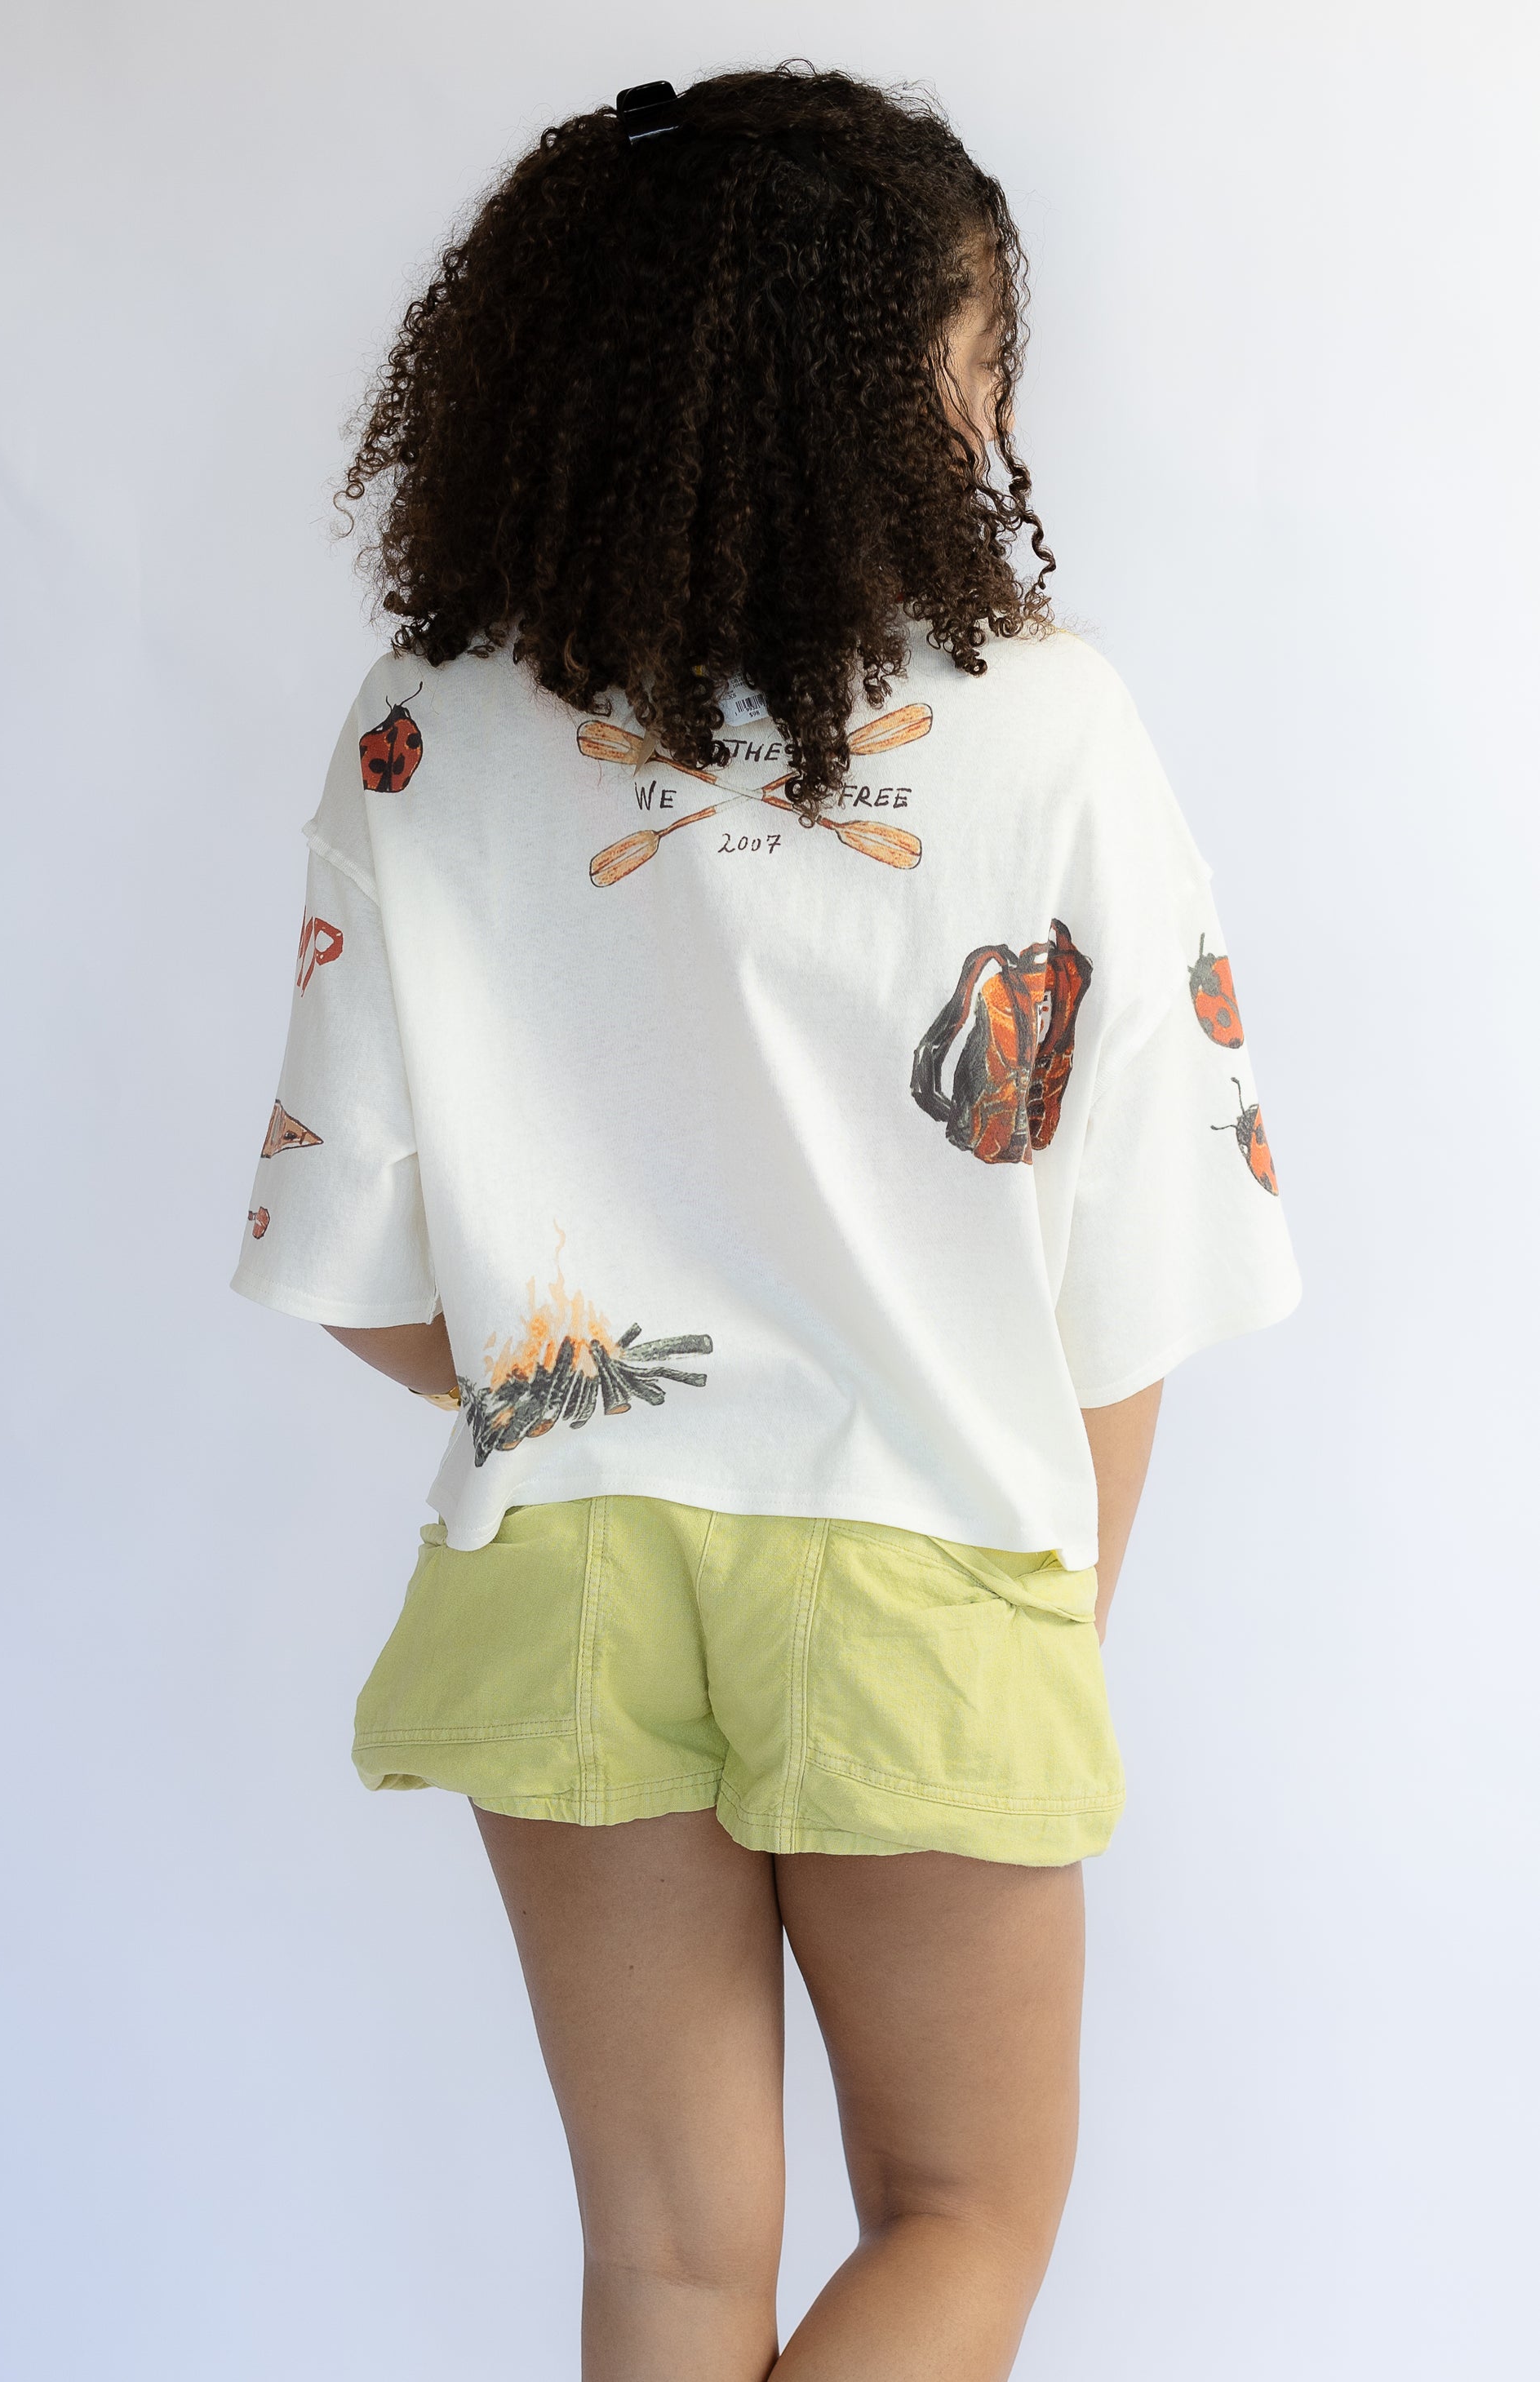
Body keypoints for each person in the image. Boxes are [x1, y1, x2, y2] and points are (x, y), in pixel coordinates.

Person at [231, 64, 1299, 2382]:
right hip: (929, 1548)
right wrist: (1057, 1605)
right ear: (881, 396)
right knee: (963, 2213)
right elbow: (1137, 1246)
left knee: (668, 2265)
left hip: (566, 1564)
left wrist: (593, 1374)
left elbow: (349, 1260)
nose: (999, 411)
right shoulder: (1045, 726)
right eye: (978, 356)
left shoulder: (424, 726)